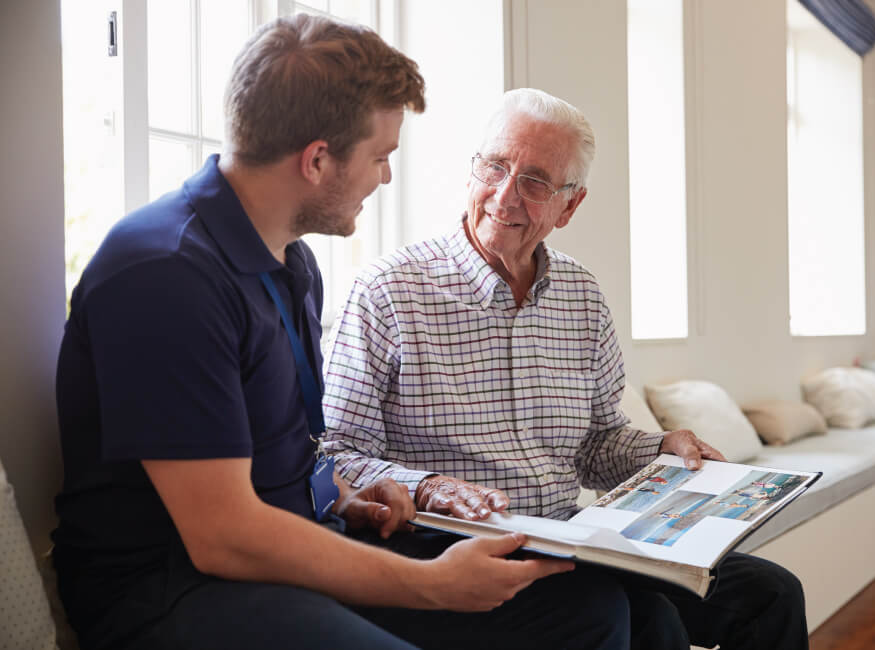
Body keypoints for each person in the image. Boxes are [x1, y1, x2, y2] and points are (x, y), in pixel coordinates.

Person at [53, 17, 632, 650]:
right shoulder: (165, 273)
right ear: (318, 160)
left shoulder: (291, 264)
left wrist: (341, 497)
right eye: (381, 157)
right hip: (173, 587)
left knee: (588, 611)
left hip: (290, 549)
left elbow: (296, 451)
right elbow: (222, 536)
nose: (386, 177)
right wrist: (431, 584)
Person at [322, 87, 809, 649]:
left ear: (569, 206)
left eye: (534, 182)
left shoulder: (580, 295)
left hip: (573, 538)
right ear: (470, 170)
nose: (505, 196)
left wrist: (661, 450)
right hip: (445, 546)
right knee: (644, 618)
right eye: (495, 166)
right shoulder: (387, 290)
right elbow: (335, 453)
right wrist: (429, 487)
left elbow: (598, 444)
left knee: (771, 594)